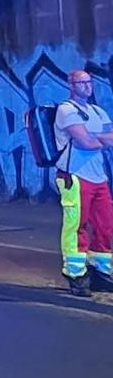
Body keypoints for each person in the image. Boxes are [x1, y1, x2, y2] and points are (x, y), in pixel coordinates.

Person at [53, 69, 113, 296]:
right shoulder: (66, 110)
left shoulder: (97, 111)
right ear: (71, 85)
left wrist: (95, 137)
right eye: (81, 82)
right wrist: (100, 139)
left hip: (98, 177)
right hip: (75, 177)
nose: (87, 86)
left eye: (89, 82)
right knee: (75, 226)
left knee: (105, 225)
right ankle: (76, 275)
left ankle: (101, 273)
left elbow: (101, 139)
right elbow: (85, 142)